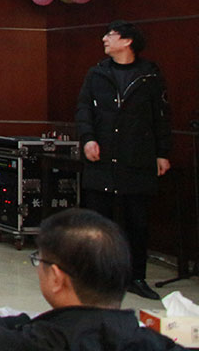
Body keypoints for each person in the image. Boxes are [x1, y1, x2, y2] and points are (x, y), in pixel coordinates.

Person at [0, 208, 181, 350]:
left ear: (57, 278)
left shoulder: (15, 342)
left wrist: (12, 322)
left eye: (40, 260)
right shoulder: (158, 345)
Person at [75, 20, 171, 301]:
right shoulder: (97, 74)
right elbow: (83, 110)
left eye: (111, 34)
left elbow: (161, 117)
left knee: (137, 223)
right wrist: (88, 139)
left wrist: (163, 153)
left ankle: (136, 277)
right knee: (97, 223)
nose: (105, 39)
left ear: (128, 41)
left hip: (136, 158)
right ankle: (95, 276)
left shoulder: (149, 76)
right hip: (102, 158)